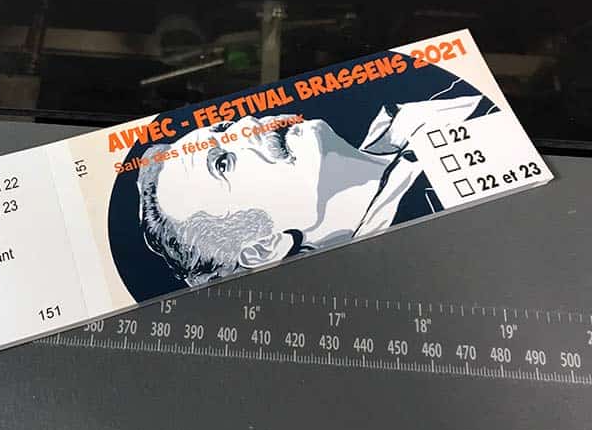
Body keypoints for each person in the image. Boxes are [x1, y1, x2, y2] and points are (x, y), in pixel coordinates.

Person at [137, 91, 487, 286]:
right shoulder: (427, 262)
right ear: (264, 249)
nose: (246, 125)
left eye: (223, 126)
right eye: (223, 164)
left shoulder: (406, 102)